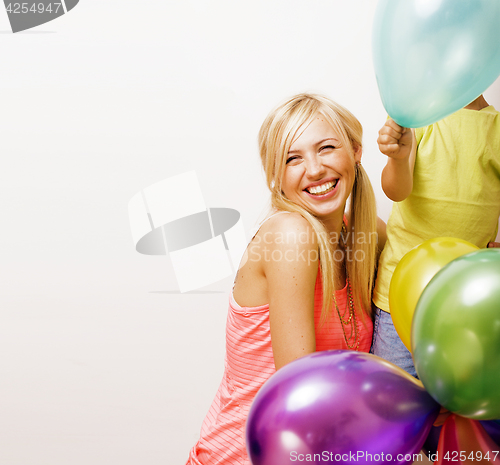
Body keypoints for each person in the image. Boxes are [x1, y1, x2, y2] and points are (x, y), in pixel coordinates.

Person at [186, 93, 383, 465]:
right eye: (293, 158)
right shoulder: (290, 234)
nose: (314, 169)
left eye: (326, 148)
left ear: (355, 151)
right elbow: (301, 398)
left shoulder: (360, 234)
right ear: (275, 177)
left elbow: (426, 259)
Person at [371, 94, 500, 377]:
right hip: (398, 298)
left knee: (453, 400)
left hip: (466, 303)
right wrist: (397, 157)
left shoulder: (496, 128)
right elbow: (396, 190)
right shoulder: (416, 116)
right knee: (393, 395)